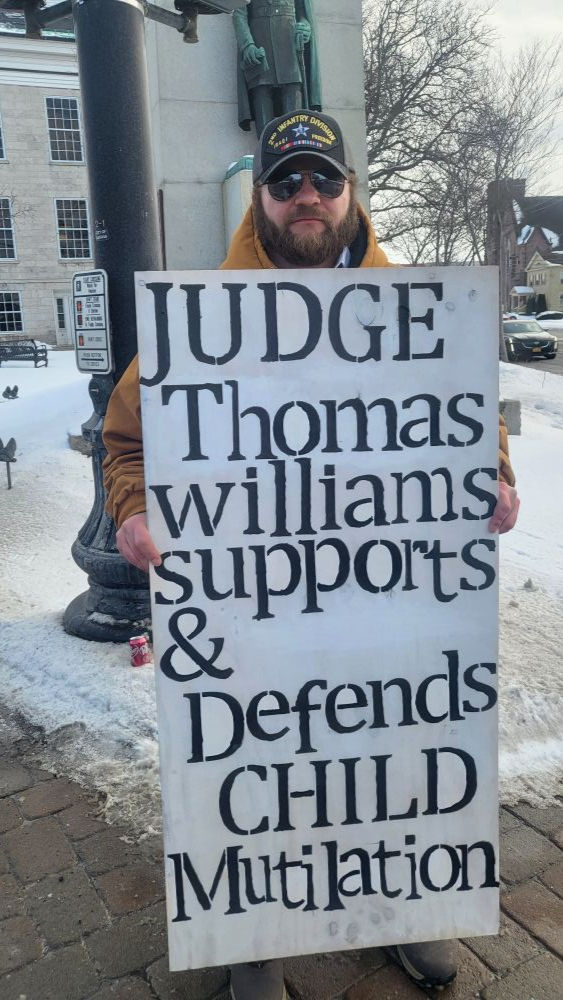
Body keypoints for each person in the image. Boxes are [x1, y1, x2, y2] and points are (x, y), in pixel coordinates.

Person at [102, 111, 519, 999]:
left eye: (323, 179)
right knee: (263, 755)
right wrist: (133, 511)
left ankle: (407, 902)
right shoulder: (199, 319)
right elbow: (126, 442)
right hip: (253, 608)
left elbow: (468, 420)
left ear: (349, 192)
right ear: (258, 197)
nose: (306, 196)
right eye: (285, 180)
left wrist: (493, 477)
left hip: (390, 599)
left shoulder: (419, 308)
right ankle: (253, 928)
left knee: (395, 737)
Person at [233, 1, 322, 135]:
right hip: (260, 45)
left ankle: (293, 146)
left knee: (294, 114)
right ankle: (264, 146)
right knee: (262, 98)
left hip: (289, 47)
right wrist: (247, 45)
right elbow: (239, 12)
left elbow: (302, 11)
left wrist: (305, 27)